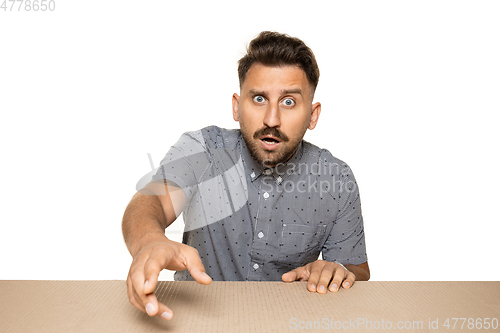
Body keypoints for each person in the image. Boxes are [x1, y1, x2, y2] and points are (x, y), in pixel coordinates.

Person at [122, 31, 370, 321]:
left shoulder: (336, 179)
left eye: (289, 101)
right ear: (237, 106)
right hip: (196, 321)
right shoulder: (203, 150)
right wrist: (149, 241)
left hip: (290, 322)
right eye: (259, 98)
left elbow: (358, 270)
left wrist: (337, 270)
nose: (272, 119)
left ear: (313, 115)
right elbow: (151, 202)